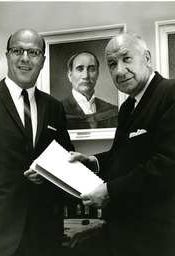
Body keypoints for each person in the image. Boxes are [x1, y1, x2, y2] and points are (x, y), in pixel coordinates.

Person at [69, 33, 175, 256]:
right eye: (112, 64)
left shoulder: (170, 94)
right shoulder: (128, 106)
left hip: (158, 237)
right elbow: (122, 154)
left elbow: (166, 165)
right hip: (125, 234)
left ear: (147, 58)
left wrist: (109, 191)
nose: (119, 70)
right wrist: (93, 160)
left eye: (126, 59)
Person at [0, 28, 74, 256]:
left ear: (43, 60)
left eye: (33, 52)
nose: (25, 58)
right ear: (7, 55)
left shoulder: (54, 107)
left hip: (43, 233)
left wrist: (48, 173)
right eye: (17, 50)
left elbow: (67, 157)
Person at [62, 51, 118, 129]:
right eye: (80, 69)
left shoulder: (113, 111)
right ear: (70, 76)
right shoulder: (57, 111)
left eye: (91, 69)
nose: (86, 76)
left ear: (97, 74)